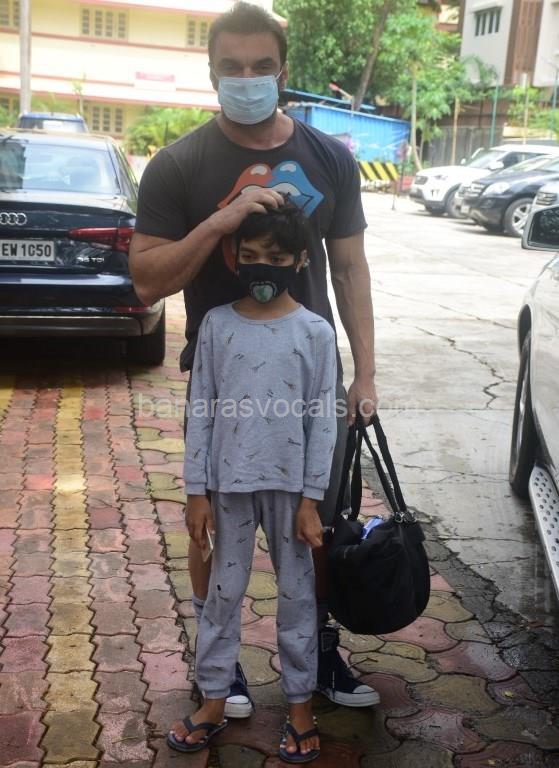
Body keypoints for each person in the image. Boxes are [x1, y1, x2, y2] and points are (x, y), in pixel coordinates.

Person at [130, 0, 378, 728]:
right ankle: (222, 662)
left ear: (283, 69)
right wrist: (220, 220)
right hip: (224, 383)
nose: (247, 79)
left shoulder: (331, 157)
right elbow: (146, 281)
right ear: (211, 73)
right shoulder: (178, 165)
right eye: (232, 68)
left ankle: (319, 650)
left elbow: (351, 270)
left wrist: (365, 374)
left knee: (317, 523)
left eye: (261, 66)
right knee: (208, 526)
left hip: (307, 380)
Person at [167, 202, 336, 761]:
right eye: (252, 255)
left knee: (297, 600)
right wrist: (196, 491)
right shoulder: (217, 325)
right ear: (234, 257)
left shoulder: (314, 332)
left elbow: (323, 420)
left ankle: (300, 706)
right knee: (222, 597)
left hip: (292, 492)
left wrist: (312, 500)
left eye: (278, 258)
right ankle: (214, 699)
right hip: (229, 487)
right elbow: (201, 408)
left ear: (301, 261)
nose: (264, 266)